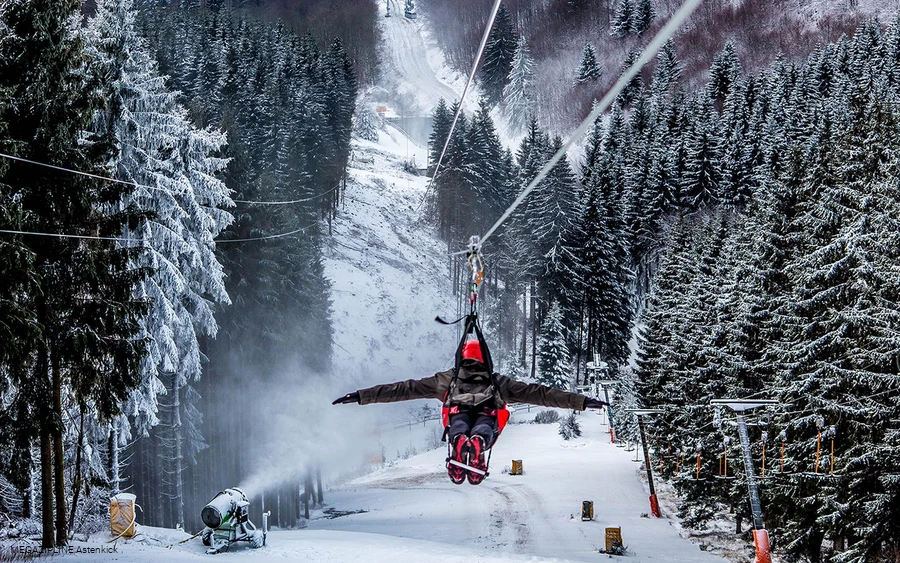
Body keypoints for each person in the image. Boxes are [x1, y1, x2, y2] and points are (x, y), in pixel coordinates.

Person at [333, 338, 608, 485]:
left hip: (456, 409)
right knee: (487, 424)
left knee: (458, 422)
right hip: (489, 412)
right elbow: (541, 394)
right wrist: (581, 401)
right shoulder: (499, 381)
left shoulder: (446, 379)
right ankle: (478, 441)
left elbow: (403, 389)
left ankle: (460, 439)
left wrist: (360, 396)